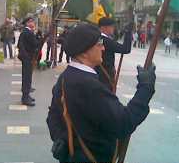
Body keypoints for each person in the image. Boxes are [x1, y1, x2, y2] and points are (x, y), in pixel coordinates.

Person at [47, 23, 156, 163]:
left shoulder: (66, 76)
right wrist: (146, 88)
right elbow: (123, 122)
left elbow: (53, 116)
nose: (103, 48)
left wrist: (63, 140)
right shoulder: (89, 86)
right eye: (99, 43)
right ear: (85, 50)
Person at [95, 17, 133, 89]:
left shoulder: (98, 38)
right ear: (104, 27)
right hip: (105, 75)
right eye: (111, 26)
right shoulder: (106, 41)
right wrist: (128, 33)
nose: (113, 28)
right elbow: (125, 49)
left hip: (98, 72)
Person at [17, 17, 38, 106]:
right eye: (31, 21)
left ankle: (27, 95)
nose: (33, 23)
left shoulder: (28, 32)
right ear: (27, 23)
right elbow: (34, 43)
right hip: (27, 58)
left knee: (28, 76)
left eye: (33, 21)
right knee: (26, 77)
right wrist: (25, 56)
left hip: (28, 57)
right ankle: (25, 98)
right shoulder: (27, 32)